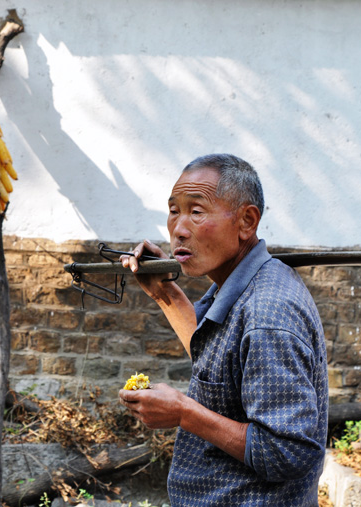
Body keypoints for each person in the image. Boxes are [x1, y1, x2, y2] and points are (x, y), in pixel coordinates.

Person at [118, 154, 328, 506]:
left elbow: (286, 452)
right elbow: (219, 363)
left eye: (197, 212)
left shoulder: (267, 312)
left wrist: (184, 413)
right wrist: (165, 292)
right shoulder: (237, 284)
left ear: (246, 221)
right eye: (174, 211)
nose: (179, 229)